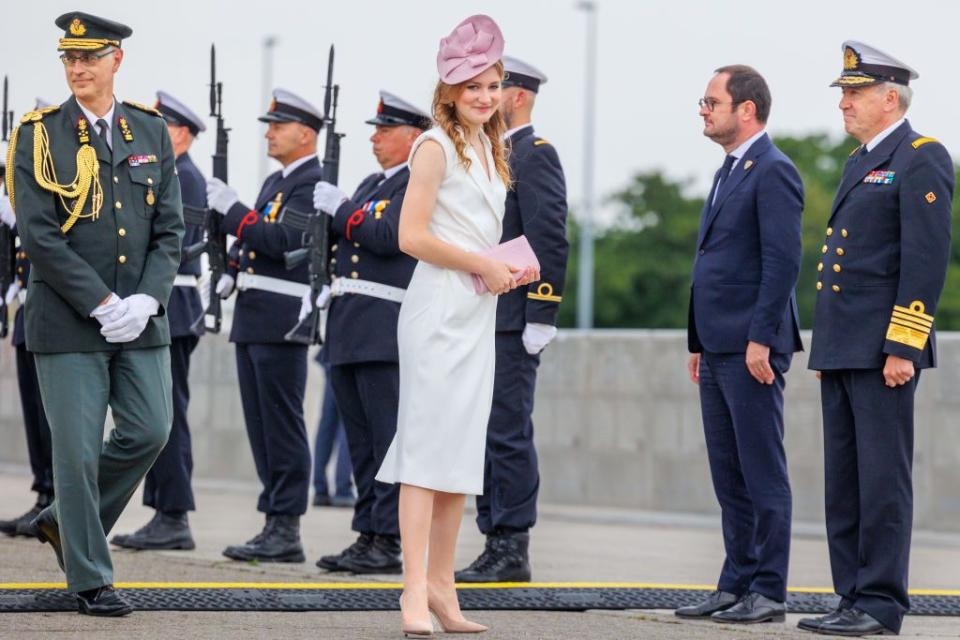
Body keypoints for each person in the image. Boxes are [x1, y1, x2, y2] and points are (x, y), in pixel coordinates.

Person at [11, 11, 184, 616]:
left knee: (150, 429)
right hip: (68, 322)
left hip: (141, 318)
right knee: (78, 454)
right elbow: (39, 233)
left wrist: (146, 299)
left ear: (117, 60)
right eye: (69, 59)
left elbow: (171, 229)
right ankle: (89, 578)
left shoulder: (150, 130)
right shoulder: (37, 133)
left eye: (89, 57)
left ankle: (64, 521)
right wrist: (102, 301)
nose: (77, 68)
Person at [375, 15, 538, 636]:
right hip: (439, 307)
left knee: (459, 455)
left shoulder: (494, 149)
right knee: (424, 453)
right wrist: (481, 264)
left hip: (477, 308)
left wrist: (501, 270)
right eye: (471, 84)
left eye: (493, 85)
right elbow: (411, 237)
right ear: (447, 89)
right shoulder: (434, 145)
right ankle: (413, 591)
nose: (483, 95)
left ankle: (443, 589)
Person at [799, 42, 953, 638]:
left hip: (883, 349)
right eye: (843, 94)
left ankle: (881, 604)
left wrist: (904, 346)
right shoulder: (859, 160)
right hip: (844, 347)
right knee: (845, 481)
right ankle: (849, 597)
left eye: (855, 94)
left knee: (882, 480)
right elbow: (843, 268)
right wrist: (826, 349)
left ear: (891, 98)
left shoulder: (920, 157)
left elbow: (924, 259)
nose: (844, 104)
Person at [678, 65, 803, 625]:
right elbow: (715, 262)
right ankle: (735, 583)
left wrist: (760, 339)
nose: (703, 110)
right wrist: (700, 339)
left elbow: (782, 262)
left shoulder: (773, 170)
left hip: (752, 346)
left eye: (711, 101)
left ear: (745, 109)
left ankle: (769, 590)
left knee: (761, 472)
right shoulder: (730, 170)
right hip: (719, 345)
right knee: (729, 475)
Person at [456, 55, 569, 584]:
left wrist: (542, 310)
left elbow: (549, 236)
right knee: (481, 433)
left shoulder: (534, 155)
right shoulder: (487, 158)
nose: (481, 98)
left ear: (516, 96)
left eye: (491, 88)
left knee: (506, 432)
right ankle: (490, 538)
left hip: (512, 319)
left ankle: (512, 543)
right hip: (480, 316)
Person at [310, 90, 431, 575]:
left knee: (386, 443)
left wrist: (341, 212)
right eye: (375, 131)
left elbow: (386, 237)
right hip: (348, 328)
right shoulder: (367, 184)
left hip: (385, 331)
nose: (375, 139)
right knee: (359, 444)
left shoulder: (416, 184)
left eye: (386, 131)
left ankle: (387, 538)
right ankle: (367, 532)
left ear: (414, 137)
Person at [205, 88, 323, 564]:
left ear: (306, 134)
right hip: (255, 317)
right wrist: (232, 268)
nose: (269, 133)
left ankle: (286, 526)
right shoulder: (277, 182)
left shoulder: (312, 182)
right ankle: (272, 518)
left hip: (281, 321)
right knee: (260, 427)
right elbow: (255, 245)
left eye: (278, 125)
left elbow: (281, 239)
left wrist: (232, 211)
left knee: (282, 426)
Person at [110, 91, 207, 551]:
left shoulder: (183, 177)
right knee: (160, 415)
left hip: (173, 309)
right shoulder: (169, 173)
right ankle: (164, 513)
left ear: (181, 134)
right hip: (160, 308)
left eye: (160, 127)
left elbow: (175, 246)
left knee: (167, 417)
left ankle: (173, 514)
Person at [0, 98, 56, 539]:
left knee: (52, 412)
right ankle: (43, 495)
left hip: (55, 309)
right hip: (29, 307)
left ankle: (57, 498)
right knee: (34, 413)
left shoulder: (68, 173)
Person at [311, 358, 354, 509]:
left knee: (327, 423)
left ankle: (320, 488)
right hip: (352, 356)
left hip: (333, 356)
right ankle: (343, 489)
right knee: (349, 424)